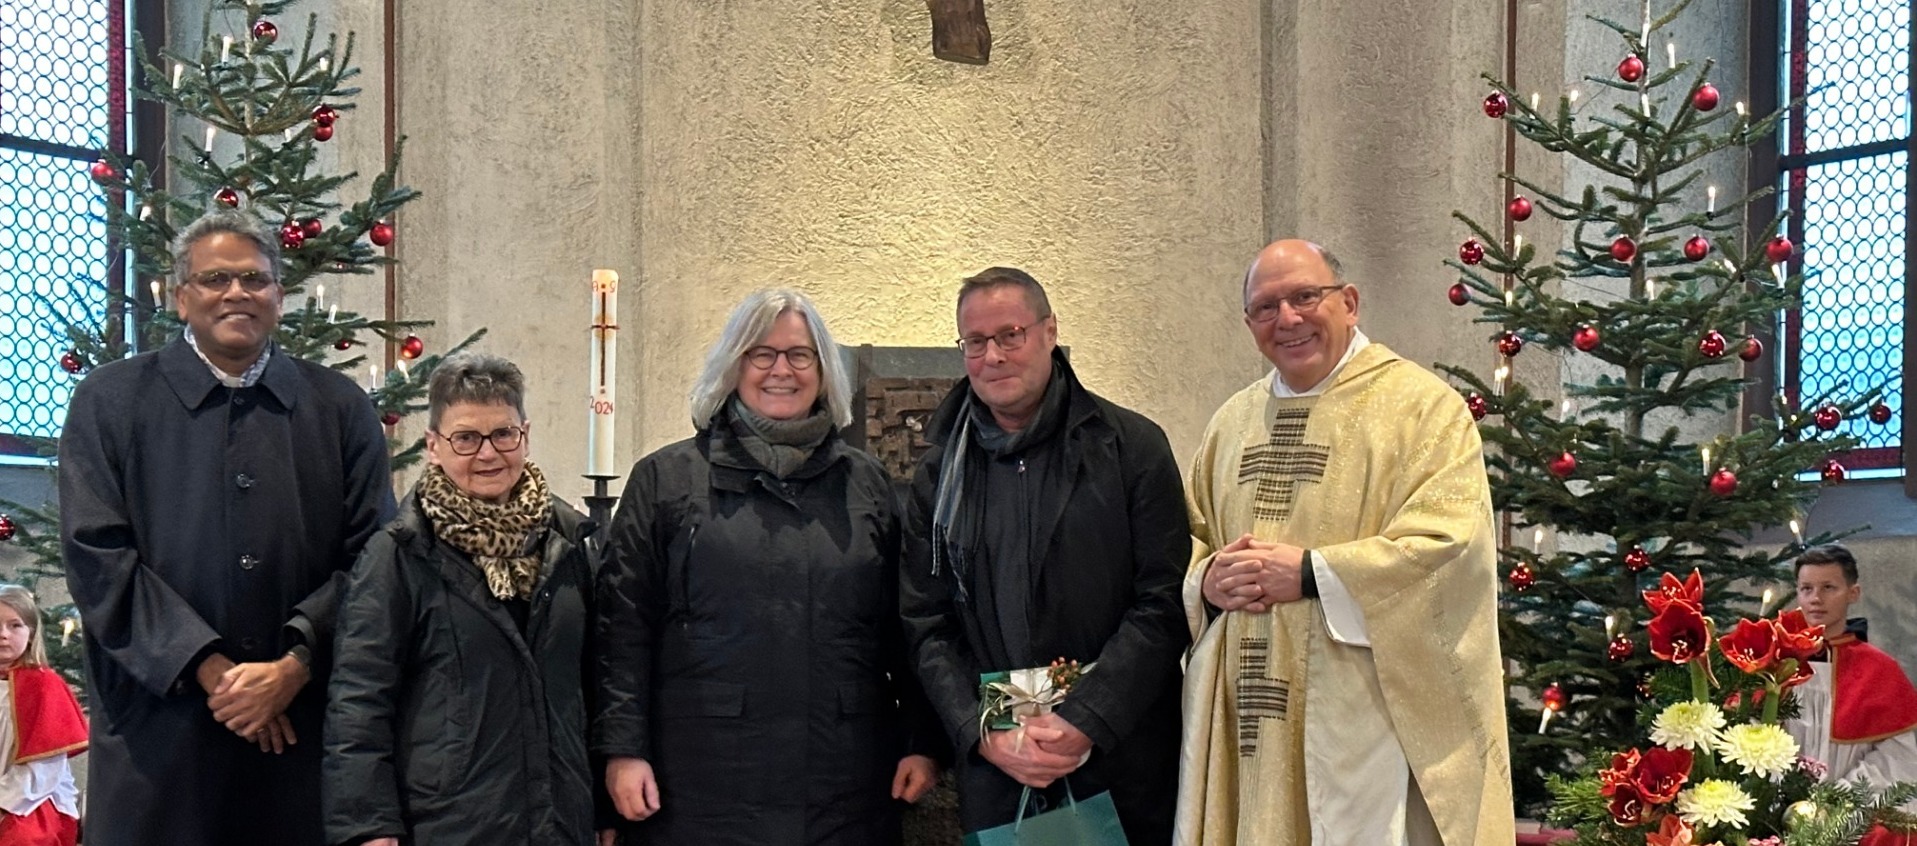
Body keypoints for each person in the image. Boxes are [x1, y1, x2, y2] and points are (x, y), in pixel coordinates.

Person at [59, 208, 395, 846]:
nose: (237, 292)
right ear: (181, 297)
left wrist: (295, 664)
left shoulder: (339, 407)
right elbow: (96, 553)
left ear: (279, 296)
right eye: (215, 279)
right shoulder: (111, 400)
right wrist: (214, 672)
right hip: (158, 734)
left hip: (302, 732)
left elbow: (374, 558)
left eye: (254, 279)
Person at [1176, 239, 1512, 846]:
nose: (1288, 319)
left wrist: (1312, 574)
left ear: (1349, 302)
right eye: (1265, 307)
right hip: (1248, 712)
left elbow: (1449, 545)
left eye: (1306, 296)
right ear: (1249, 324)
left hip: (1362, 716)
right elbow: (1193, 538)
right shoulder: (1232, 422)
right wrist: (1208, 581)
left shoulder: (1422, 410)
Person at [595, 289, 941, 845]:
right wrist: (622, 750)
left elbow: (904, 626)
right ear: (734, 365)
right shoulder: (666, 481)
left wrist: (921, 739)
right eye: (762, 353)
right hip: (699, 784)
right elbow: (623, 629)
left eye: (800, 355)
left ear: (823, 371)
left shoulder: (866, 484)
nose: (782, 370)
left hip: (843, 784)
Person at [900, 267, 1190, 844]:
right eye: (975, 342)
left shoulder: (1131, 447)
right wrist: (982, 731)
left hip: (1119, 755)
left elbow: (1164, 601)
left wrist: (1087, 719)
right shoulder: (938, 473)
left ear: (1049, 331)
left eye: (1011, 335)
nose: (993, 356)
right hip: (1000, 767)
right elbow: (926, 623)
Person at [324, 353, 607, 845]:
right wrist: (369, 826)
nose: (488, 454)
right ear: (434, 446)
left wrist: (602, 804)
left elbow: (594, 683)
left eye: (503, 434)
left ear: (525, 434)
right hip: (450, 822)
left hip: (560, 819)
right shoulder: (400, 554)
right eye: (466, 438)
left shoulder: (567, 542)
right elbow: (360, 700)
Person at [1783, 543, 1917, 845]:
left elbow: (1898, 756)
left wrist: (1837, 801)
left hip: (1855, 811)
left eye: (1828, 587)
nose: (1816, 598)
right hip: (1777, 807)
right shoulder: (1775, 663)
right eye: (1806, 589)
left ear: (1853, 593)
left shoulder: (1879, 670)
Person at [0, 585, 86, 846]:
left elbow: (43, 771)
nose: (3, 634)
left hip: (28, 800)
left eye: (15, 625)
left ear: (30, 633)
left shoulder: (43, 685)